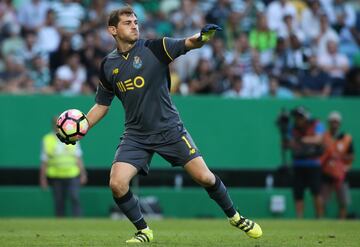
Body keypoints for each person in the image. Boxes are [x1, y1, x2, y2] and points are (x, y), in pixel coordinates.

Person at [56, 6, 262, 243]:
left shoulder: (156, 48)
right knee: (117, 183)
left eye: (136, 21)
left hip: (169, 130)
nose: (134, 25)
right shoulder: (108, 65)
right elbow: (102, 105)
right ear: (112, 30)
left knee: (205, 178)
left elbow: (189, 43)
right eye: (127, 22)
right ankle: (144, 230)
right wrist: (80, 129)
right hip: (136, 135)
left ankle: (235, 217)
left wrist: (202, 37)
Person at [40, 117, 87, 217]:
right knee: (59, 200)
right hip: (55, 175)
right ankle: (60, 223)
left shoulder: (73, 136)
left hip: (72, 174)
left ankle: (78, 220)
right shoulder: (47, 139)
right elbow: (44, 161)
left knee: (74, 197)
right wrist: (43, 178)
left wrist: (83, 174)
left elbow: (78, 157)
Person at [285, 106, 325, 218]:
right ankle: (299, 218)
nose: (298, 120)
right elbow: (288, 143)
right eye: (296, 117)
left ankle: (320, 217)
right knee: (298, 193)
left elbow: (318, 139)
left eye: (300, 117)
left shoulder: (316, 124)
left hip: (313, 164)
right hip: (298, 164)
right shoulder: (292, 128)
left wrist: (302, 140)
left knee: (316, 192)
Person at [320, 111, 354, 219]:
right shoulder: (323, 137)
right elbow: (319, 154)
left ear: (340, 123)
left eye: (336, 122)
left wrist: (338, 158)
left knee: (343, 200)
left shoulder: (346, 138)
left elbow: (351, 156)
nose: (334, 124)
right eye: (332, 122)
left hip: (341, 173)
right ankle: (321, 221)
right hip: (326, 172)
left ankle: (342, 220)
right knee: (323, 200)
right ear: (328, 123)